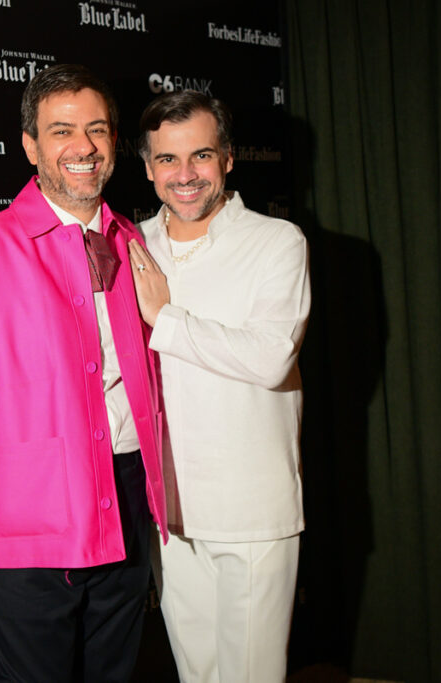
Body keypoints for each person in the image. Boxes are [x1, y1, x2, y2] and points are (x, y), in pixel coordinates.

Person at [0, 64, 167, 682]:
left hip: (129, 506)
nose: (84, 147)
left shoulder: (132, 241)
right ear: (30, 145)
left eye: (97, 130)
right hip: (31, 525)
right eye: (62, 131)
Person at [126, 90, 310, 683]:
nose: (185, 175)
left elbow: (271, 357)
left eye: (201, 156)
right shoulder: (131, 246)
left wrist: (166, 319)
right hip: (171, 513)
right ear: (148, 167)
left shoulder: (277, 241)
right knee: (196, 674)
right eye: (167, 159)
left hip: (251, 510)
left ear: (228, 158)